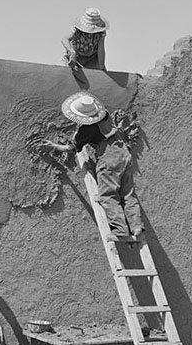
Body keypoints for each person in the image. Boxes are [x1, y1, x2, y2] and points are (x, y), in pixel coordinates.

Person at [43, 92, 144, 242]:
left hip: (109, 159)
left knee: (107, 195)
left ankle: (121, 231)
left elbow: (73, 148)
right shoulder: (105, 114)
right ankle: (136, 226)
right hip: (123, 153)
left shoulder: (87, 129)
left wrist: (53, 146)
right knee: (127, 194)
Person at [61, 7, 108, 72]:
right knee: (71, 73)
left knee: (94, 75)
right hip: (76, 56)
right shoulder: (77, 29)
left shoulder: (101, 33)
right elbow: (64, 39)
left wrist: (101, 66)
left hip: (91, 58)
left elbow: (101, 49)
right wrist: (72, 52)